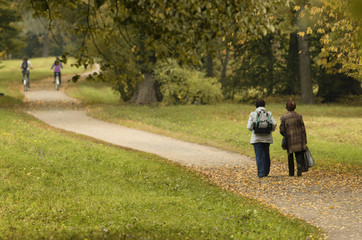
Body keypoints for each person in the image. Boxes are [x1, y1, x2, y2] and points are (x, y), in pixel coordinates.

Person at [247, 99, 277, 178]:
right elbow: (274, 123)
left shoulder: (253, 114)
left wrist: (254, 130)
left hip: (256, 138)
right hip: (267, 138)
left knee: (259, 155)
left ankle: (261, 173)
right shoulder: (268, 113)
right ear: (264, 105)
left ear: (256, 105)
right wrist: (271, 130)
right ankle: (266, 172)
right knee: (266, 154)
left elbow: (249, 127)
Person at [279, 100, 307, 177]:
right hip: (299, 138)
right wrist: (305, 139)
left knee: (290, 156)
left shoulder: (284, 117)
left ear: (286, 107)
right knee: (299, 154)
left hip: (290, 139)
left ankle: (291, 173)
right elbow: (303, 128)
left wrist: (284, 134)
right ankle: (299, 165)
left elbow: (282, 130)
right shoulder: (299, 116)